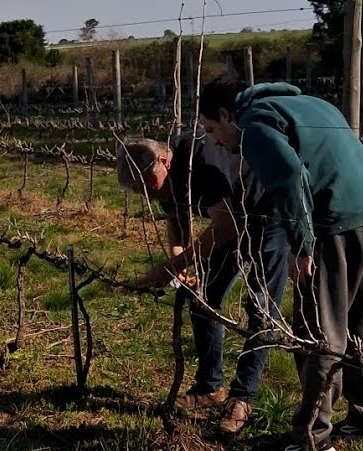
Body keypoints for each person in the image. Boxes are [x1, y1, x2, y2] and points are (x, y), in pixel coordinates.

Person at [199, 79, 363, 451]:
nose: (216, 142)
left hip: (331, 222)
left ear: (225, 115)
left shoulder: (255, 125)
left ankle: (312, 437)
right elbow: (362, 160)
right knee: (361, 323)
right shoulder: (315, 105)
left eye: (211, 129)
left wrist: (301, 245)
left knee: (317, 330)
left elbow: (290, 178)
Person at [117, 132, 288, 435]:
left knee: (260, 310)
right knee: (203, 298)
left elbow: (225, 227)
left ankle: (242, 398)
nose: (147, 195)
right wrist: (178, 260)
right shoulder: (162, 177)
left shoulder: (202, 162)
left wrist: (173, 266)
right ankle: (211, 388)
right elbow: (176, 218)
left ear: (164, 160)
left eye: (148, 185)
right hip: (233, 220)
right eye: (138, 191)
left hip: (269, 214)